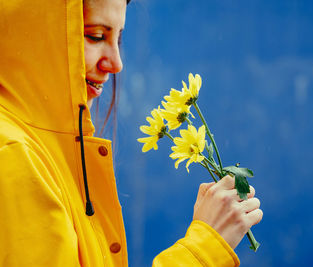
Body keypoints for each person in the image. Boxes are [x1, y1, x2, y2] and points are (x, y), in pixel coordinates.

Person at [0, 0, 263, 266]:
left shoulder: (45, 147)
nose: (116, 64)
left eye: (119, 39)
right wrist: (202, 251)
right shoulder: (13, 156)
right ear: (36, 35)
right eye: (96, 36)